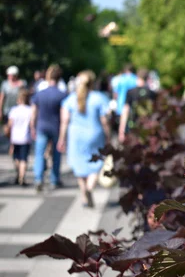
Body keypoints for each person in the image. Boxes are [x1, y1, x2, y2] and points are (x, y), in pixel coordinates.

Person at [58, 71, 110, 208]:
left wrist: (61, 138)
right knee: (96, 163)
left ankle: (84, 193)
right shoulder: (99, 98)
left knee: (79, 164)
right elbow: (104, 120)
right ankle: (90, 188)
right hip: (95, 134)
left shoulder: (71, 98)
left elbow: (64, 120)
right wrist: (109, 136)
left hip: (76, 135)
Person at [31, 65, 68, 192]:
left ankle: (38, 179)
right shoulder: (62, 95)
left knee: (39, 154)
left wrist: (32, 126)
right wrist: (64, 134)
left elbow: (34, 112)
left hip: (42, 126)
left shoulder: (40, 94)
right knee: (56, 155)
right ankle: (54, 179)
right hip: (56, 127)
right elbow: (64, 117)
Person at [118, 68, 157, 143]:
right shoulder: (152, 93)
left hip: (135, 127)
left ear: (137, 77)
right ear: (147, 78)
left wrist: (121, 131)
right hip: (149, 128)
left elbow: (125, 111)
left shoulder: (131, 92)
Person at [6, 89, 33, 186]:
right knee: (24, 159)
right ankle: (22, 177)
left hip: (15, 137)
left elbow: (10, 125)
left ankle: (18, 174)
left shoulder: (14, 110)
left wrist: (8, 135)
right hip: (25, 137)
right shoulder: (30, 110)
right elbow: (31, 125)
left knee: (16, 158)